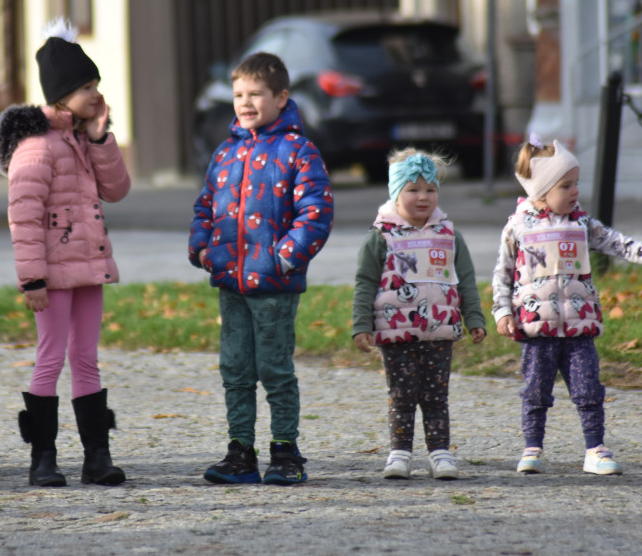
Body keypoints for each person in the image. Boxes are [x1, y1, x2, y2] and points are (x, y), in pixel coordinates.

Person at [0, 18, 131, 487]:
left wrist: (101, 139)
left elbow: (118, 190)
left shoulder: (85, 141)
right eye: (86, 86)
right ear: (62, 93)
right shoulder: (36, 148)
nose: (95, 94)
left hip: (88, 268)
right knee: (50, 357)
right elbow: (24, 218)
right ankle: (43, 458)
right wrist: (32, 278)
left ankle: (96, 457)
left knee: (86, 358)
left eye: (96, 84)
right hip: (51, 274)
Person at [492, 135, 642, 476]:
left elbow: (619, 243)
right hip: (536, 329)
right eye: (565, 185)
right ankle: (532, 447)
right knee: (535, 392)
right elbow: (503, 273)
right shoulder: (517, 227)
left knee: (589, 391)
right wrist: (502, 312)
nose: (575, 192)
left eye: (576, 183)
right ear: (542, 191)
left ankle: (595, 448)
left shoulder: (581, 224)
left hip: (579, 327)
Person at [188, 51, 333, 485]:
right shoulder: (226, 152)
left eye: (255, 94)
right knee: (235, 369)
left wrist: (284, 256)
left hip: (273, 282)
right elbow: (206, 205)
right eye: (238, 95)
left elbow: (316, 212)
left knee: (275, 369)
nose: (245, 103)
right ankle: (240, 451)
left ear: (281, 97)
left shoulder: (298, 151)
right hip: (230, 280)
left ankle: (285, 451)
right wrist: (202, 248)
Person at [351, 148, 486, 481]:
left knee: (436, 395)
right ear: (395, 193)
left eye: (430, 189)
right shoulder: (380, 237)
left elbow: (466, 280)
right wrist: (361, 325)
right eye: (413, 189)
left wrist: (474, 318)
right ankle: (400, 452)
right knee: (402, 395)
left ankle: (440, 453)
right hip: (395, 332)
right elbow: (365, 281)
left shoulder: (449, 236)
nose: (423, 197)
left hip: (440, 331)